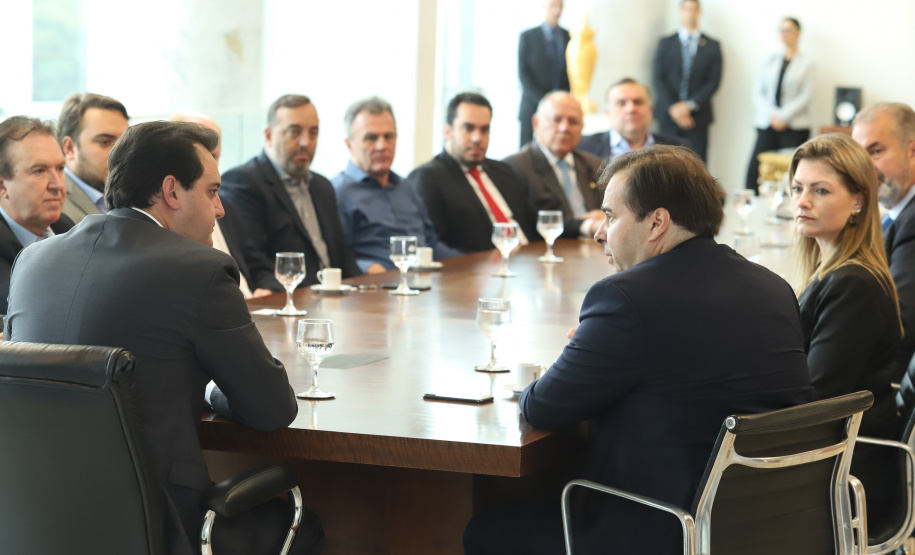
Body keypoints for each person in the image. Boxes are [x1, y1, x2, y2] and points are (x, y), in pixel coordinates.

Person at [465, 145, 813, 555]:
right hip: (769, 527)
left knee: (483, 530)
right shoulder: (774, 287)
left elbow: (542, 408)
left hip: (662, 528)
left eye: (610, 216)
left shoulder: (626, 299)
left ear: (656, 223)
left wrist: (579, 348)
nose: (599, 231)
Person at [4, 121, 324, 555]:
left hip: (34, 522)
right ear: (172, 192)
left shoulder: (32, 260)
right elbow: (272, 409)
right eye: (212, 192)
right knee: (309, 525)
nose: (221, 210)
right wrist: (211, 389)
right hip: (162, 527)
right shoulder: (199, 270)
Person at [791, 132, 903, 539]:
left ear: (858, 201)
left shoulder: (853, 283)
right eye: (797, 189)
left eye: (820, 191)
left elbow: (815, 395)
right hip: (835, 454)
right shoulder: (833, 272)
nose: (802, 201)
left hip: (848, 470)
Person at [221, 94, 360, 289]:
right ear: (269, 135)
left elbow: (343, 254)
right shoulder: (244, 182)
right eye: (294, 132)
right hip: (291, 299)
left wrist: (360, 289)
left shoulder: (322, 185)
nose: (306, 141)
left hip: (336, 296)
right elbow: (255, 264)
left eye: (313, 132)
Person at [331, 97, 462, 273]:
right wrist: (366, 268)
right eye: (371, 138)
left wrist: (471, 263)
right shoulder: (337, 192)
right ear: (350, 144)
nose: (381, 146)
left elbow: (431, 245)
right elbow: (335, 256)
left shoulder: (406, 187)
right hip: (376, 289)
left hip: (425, 283)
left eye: (388, 136)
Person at [406, 92, 539, 253]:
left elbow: (536, 222)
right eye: (468, 128)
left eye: (484, 130)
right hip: (480, 270)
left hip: (530, 260)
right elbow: (433, 246)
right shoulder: (428, 178)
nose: (477, 138)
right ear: (448, 132)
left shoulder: (504, 170)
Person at [168, 111, 271, 298]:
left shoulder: (228, 207)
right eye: (198, 156)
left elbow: (256, 265)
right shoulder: (170, 218)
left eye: (213, 155)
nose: (207, 164)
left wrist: (266, 291)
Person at [853, 103, 915, 380]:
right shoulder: (894, 215)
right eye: (859, 155)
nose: (864, 167)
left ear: (912, 151)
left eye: (875, 152)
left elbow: (899, 319)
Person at [0, 116, 74, 313]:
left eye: (60, 169)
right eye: (39, 171)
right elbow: (29, 308)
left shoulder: (65, 227)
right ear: (2, 187)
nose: (57, 184)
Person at [505, 91, 604, 239]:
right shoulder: (514, 167)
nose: (565, 128)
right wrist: (590, 224)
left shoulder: (595, 164)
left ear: (582, 128)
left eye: (573, 122)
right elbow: (534, 222)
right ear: (536, 123)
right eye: (556, 120)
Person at [745, 17, 813, 192]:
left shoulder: (807, 63)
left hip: (794, 125)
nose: (784, 34)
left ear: (798, 33)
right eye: (781, 30)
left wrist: (783, 116)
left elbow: (806, 95)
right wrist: (773, 115)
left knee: (792, 172)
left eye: (788, 30)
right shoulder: (769, 60)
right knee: (754, 171)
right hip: (768, 122)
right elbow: (758, 93)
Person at [652, 0, 722, 162]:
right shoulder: (665, 43)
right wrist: (674, 109)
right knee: (664, 165)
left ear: (699, 12)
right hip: (668, 117)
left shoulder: (712, 46)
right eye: (686, 9)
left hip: (697, 118)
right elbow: (658, 78)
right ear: (680, 12)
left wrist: (688, 107)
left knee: (696, 165)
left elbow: (713, 82)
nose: (690, 13)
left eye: (694, 10)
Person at [578, 78, 693, 161]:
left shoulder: (680, 150)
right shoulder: (582, 147)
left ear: (650, 110)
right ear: (608, 113)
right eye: (621, 103)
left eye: (638, 102)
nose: (631, 109)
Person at [57, 92, 130, 221]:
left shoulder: (134, 197)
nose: (121, 153)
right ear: (69, 148)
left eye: (125, 143)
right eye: (104, 142)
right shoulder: (54, 207)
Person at [518, 0, 569, 147]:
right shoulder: (528, 36)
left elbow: (570, 73)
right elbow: (523, 73)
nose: (557, 10)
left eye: (560, 6)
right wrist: (545, 100)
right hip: (532, 104)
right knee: (525, 151)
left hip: (560, 107)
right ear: (544, 7)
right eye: (553, 6)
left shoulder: (568, 36)